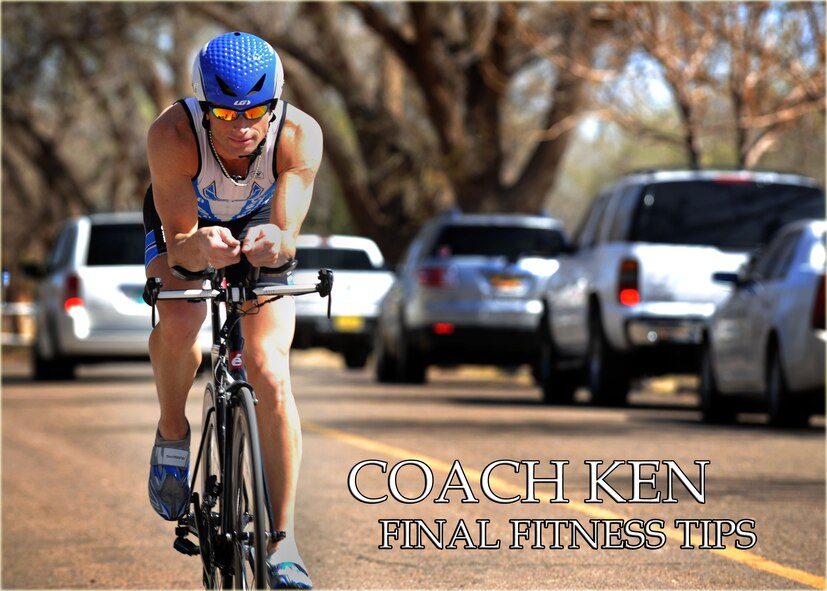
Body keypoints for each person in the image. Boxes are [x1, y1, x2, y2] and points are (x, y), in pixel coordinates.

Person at [143, 31, 322, 589]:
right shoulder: (173, 133)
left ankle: (283, 540)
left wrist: (275, 242)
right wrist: (199, 248)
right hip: (188, 228)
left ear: (276, 104)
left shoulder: (298, 134)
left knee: (269, 369)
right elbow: (179, 245)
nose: (242, 128)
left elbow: (287, 237)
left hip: (260, 229)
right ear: (204, 103)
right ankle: (173, 430)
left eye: (255, 113)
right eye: (225, 113)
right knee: (181, 323)